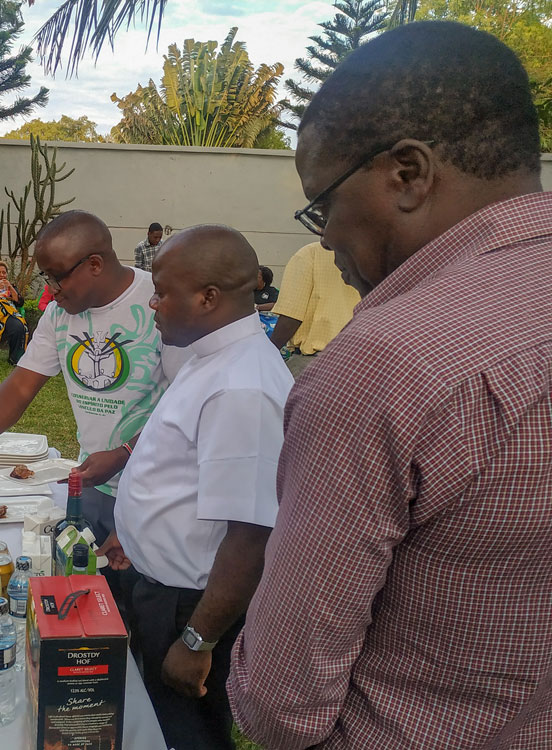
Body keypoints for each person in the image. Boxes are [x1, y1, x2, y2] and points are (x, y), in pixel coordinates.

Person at [229, 22, 552, 750]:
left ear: (407, 173)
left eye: (324, 206)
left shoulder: (384, 365)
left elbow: (283, 703)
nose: (327, 240)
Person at [97, 226, 292, 750]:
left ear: (208, 298)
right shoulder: (208, 356)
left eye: (163, 291)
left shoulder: (243, 387)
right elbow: (182, 473)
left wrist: (198, 639)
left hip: (192, 605)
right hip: (161, 583)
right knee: (156, 723)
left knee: (186, 733)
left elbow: (252, 533)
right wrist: (132, 537)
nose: (154, 304)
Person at [0, 210, 183, 561]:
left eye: (57, 278)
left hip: (158, 493)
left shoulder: (160, 302)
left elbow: (189, 406)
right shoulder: (60, 314)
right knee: (97, 581)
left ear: (95, 263)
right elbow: (20, 387)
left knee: (146, 597)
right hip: (93, 483)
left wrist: (126, 453)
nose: (51, 291)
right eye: (46, 278)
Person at [268, 241, 360, 378]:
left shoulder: (310, 254)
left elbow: (291, 317)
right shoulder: (377, 256)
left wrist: (267, 354)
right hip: (362, 363)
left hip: (316, 362)